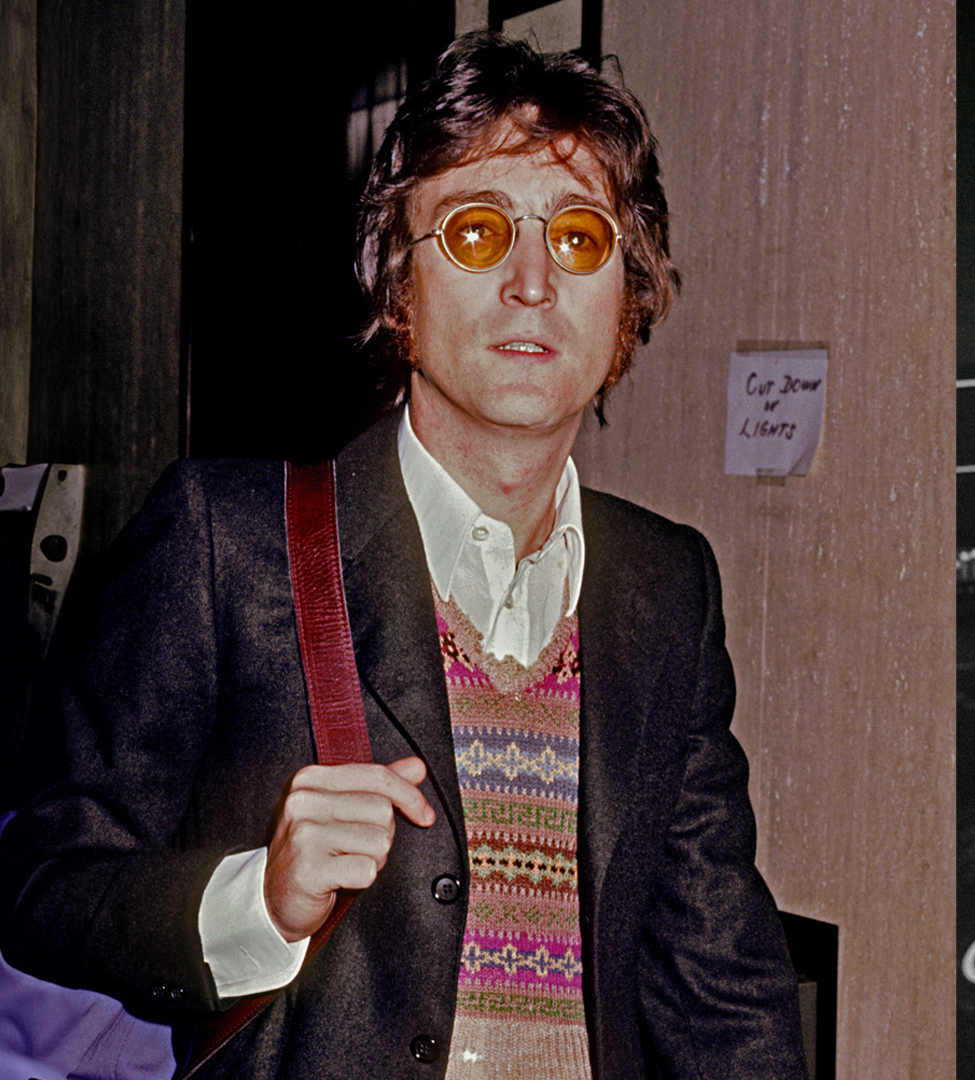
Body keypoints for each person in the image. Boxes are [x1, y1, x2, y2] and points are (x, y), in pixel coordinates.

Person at [0, 32, 806, 1080]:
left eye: (578, 239)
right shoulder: (221, 540)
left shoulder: (668, 586)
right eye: (475, 234)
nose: (530, 280)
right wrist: (259, 899)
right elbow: (43, 883)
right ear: (398, 292)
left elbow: (722, 984)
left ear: (630, 305)